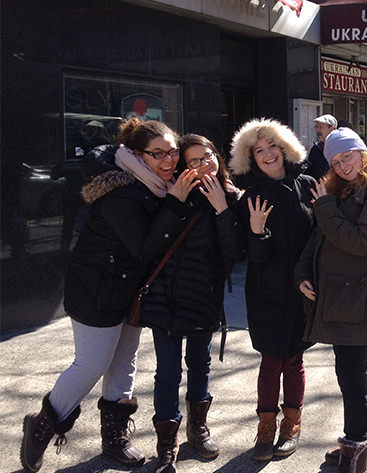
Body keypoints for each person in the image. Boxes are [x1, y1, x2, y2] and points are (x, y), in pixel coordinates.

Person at [21, 119, 196, 472]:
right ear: (136, 154)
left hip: (129, 289)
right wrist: (176, 203)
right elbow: (144, 247)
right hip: (97, 288)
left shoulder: (154, 185)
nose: (168, 161)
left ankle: (114, 437)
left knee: (123, 361)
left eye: (173, 152)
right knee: (92, 363)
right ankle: (43, 424)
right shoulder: (123, 191)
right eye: (157, 154)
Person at [294, 127, 367, 473]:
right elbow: (320, 237)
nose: (343, 165)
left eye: (348, 156)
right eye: (336, 160)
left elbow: (363, 241)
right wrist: (301, 273)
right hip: (342, 295)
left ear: (362, 151)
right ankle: (366, 442)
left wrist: (325, 205)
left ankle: (356, 446)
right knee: (354, 370)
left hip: (364, 296)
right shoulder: (341, 188)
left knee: (351, 372)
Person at [139, 134, 243, 473]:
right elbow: (151, 246)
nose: (203, 165)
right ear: (184, 168)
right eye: (194, 161)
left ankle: (197, 428)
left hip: (203, 298)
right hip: (166, 297)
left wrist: (222, 210)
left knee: (200, 365)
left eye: (208, 156)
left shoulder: (230, 196)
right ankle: (166, 443)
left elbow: (233, 255)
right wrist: (173, 202)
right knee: (167, 373)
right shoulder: (167, 193)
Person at [228, 119, 315, 461]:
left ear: (285, 147)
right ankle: (265, 426)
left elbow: (319, 238)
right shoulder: (252, 196)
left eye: (271, 146)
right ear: (250, 158)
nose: (267, 155)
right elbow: (255, 256)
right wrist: (256, 231)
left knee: (294, 358)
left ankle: (291, 424)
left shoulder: (309, 184)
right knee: (271, 359)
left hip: (302, 286)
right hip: (267, 289)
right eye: (258, 150)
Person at [304, 114, 337, 180]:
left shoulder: (340, 148)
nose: (317, 130)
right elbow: (309, 172)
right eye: (317, 127)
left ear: (332, 129)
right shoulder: (316, 149)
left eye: (321, 127)